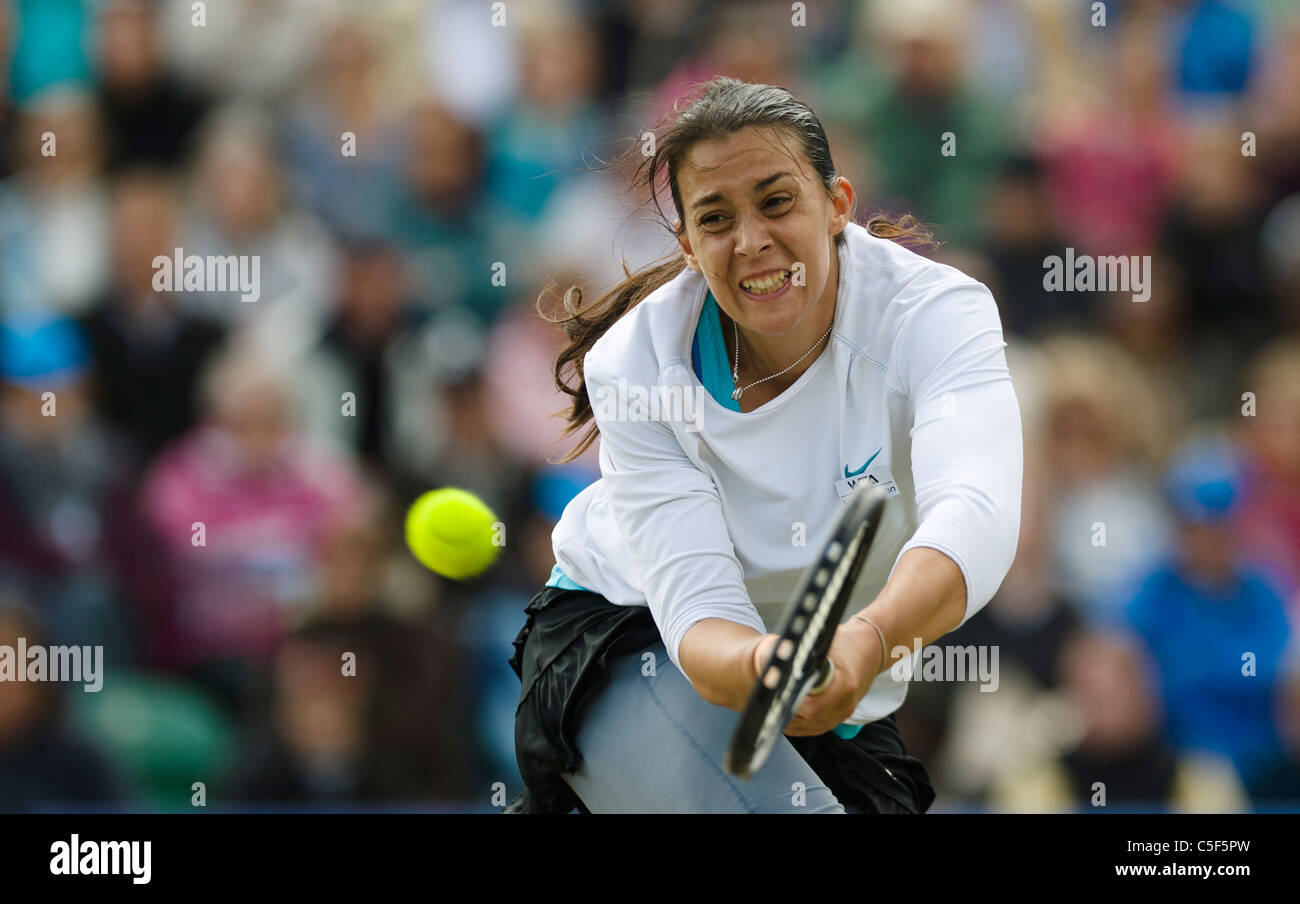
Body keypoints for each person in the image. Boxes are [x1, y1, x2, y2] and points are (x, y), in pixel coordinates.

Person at [507, 78, 1023, 814]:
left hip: (834, 686)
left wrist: (865, 643)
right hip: (630, 636)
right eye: (716, 219)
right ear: (687, 246)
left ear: (838, 202)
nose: (751, 240)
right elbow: (699, 614)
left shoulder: (939, 313)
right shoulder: (636, 366)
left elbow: (974, 509)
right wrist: (768, 664)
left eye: (777, 201)